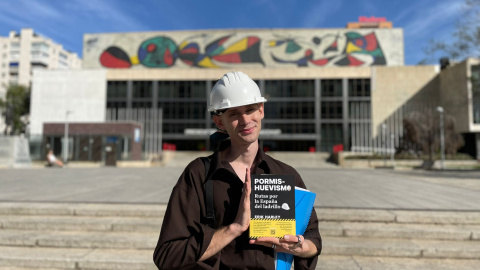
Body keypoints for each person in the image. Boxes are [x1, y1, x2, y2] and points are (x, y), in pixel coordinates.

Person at [153, 71, 321, 269]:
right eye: (234, 113)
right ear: (219, 122)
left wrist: (297, 246)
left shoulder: (285, 174)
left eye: (250, 109)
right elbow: (167, 255)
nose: (245, 120)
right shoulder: (199, 174)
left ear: (261, 110)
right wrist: (234, 228)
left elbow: (313, 240)